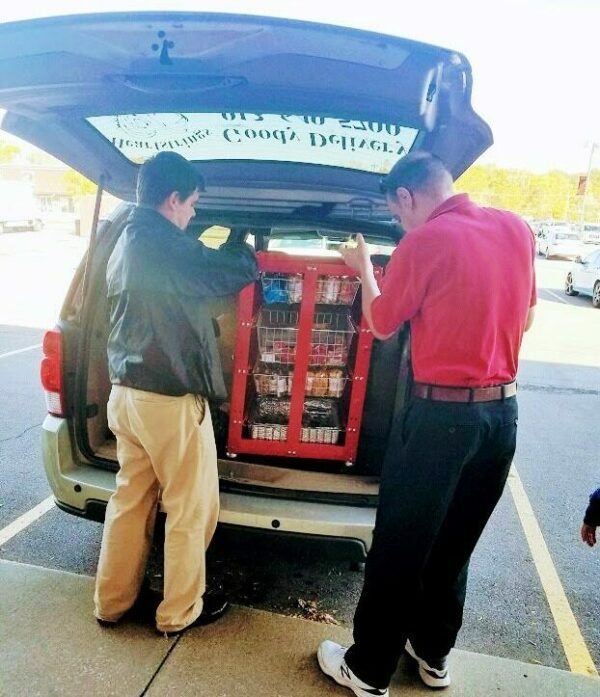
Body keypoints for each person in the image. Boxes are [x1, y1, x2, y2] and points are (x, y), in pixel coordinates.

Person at [317, 151, 536, 695]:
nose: (400, 224)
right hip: (502, 416)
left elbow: (384, 323)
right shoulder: (517, 229)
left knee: (402, 542)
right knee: (455, 541)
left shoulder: (426, 239)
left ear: (408, 198)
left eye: (396, 215)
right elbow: (528, 316)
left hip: (441, 419)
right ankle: (433, 653)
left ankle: (367, 669)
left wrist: (364, 270)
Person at [94, 151, 258, 636]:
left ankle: (112, 602)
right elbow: (227, 273)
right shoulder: (164, 242)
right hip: (167, 401)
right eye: (192, 205)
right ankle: (179, 611)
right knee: (191, 506)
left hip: (126, 394)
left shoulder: (126, 238)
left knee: (131, 500)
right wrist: (244, 247)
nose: (193, 215)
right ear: (173, 199)